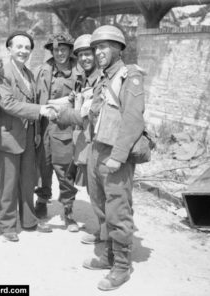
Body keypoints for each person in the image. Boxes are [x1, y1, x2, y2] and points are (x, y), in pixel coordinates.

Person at [82, 25, 146, 291]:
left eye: (104, 46)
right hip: (98, 149)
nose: (98, 52)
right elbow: (94, 112)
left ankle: (121, 266)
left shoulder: (129, 76)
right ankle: (108, 255)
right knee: (100, 205)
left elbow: (133, 120)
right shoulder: (102, 78)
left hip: (116, 153)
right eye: (96, 47)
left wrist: (118, 157)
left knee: (118, 209)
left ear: (119, 48)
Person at [0, 31, 55, 242]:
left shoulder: (28, 74)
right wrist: (40, 110)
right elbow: (8, 103)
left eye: (27, 48)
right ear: (9, 48)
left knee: (28, 180)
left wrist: (37, 132)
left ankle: (29, 220)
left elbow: (33, 102)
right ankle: (7, 224)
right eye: (18, 46)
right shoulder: (2, 72)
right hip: (8, 134)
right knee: (9, 183)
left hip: (29, 135)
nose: (23, 51)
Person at [54, 34, 102, 244]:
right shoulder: (83, 79)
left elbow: (89, 114)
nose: (84, 58)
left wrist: (61, 115)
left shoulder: (102, 78)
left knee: (100, 187)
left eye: (88, 54)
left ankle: (108, 232)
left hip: (99, 140)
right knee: (83, 181)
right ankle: (102, 228)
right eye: (81, 55)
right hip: (82, 138)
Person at [34, 32, 80, 232]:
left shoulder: (79, 72)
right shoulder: (42, 70)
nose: (60, 53)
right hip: (44, 128)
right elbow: (35, 99)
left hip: (65, 129)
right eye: (56, 49)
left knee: (65, 171)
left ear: (70, 50)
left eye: (63, 49)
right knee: (43, 168)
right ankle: (42, 200)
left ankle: (68, 211)